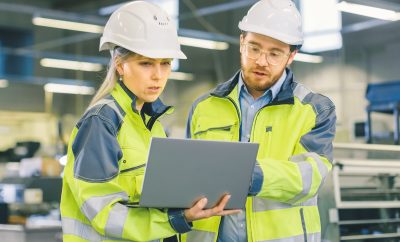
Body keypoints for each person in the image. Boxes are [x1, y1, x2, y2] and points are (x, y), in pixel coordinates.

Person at [60, 1, 239, 242]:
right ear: (120, 65)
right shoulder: (102, 122)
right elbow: (104, 213)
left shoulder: (151, 124)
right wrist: (177, 219)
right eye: (146, 63)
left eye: (165, 64)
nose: (158, 75)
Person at [185, 0, 336, 241]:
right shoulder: (205, 106)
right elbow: (188, 176)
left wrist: (247, 175)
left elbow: (310, 178)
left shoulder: (314, 108)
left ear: (291, 56)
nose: (262, 61)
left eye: (275, 53)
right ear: (242, 42)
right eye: (254, 48)